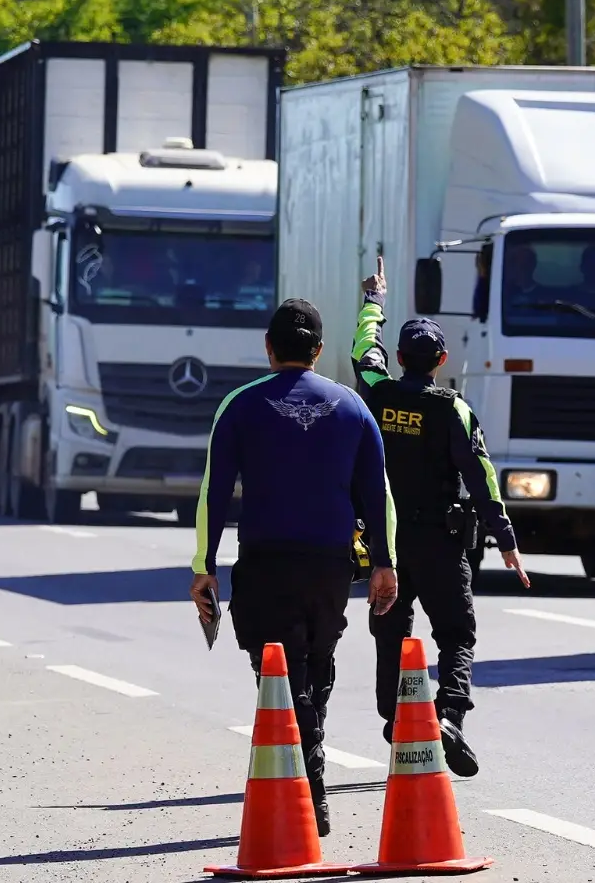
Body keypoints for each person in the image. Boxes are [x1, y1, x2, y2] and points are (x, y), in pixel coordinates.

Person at [189, 297, 399, 837]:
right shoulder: (353, 407)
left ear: (268, 346)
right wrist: (384, 562)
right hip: (329, 565)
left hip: (265, 563)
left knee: (277, 676)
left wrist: (204, 565)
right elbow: (378, 494)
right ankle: (311, 783)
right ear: (320, 350)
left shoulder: (239, 405)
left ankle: (311, 789)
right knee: (316, 666)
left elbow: (214, 490)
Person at [351, 256, 531, 778]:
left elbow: (365, 349)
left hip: (386, 541)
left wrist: (374, 302)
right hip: (442, 540)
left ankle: (396, 717)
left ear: (400, 357)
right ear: (442, 359)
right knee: (456, 635)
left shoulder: (378, 394)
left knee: (391, 628)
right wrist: (506, 540)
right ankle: (449, 715)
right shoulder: (453, 409)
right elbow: (482, 476)